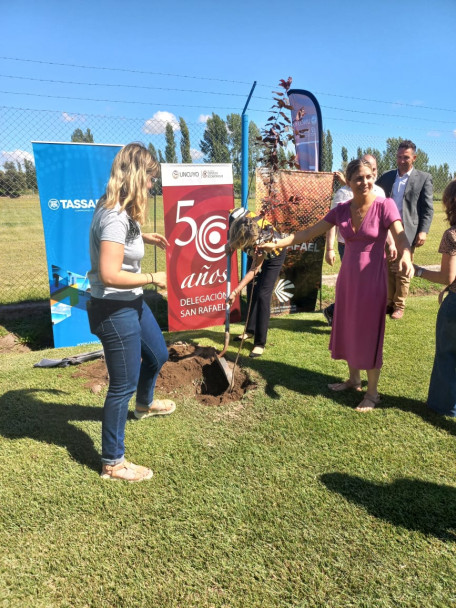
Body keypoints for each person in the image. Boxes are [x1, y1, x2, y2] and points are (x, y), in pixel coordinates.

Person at [259, 158, 413, 411]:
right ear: (348, 183)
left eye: (368, 177)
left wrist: (405, 253)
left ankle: (372, 393)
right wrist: (276, 243)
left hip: (373, 281)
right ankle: (354, 380)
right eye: (358, 179)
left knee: (370, 333)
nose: (365, 182)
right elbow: (307, 233)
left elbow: (399, 234)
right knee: (349, 327)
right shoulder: (341, 209)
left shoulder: (385, 206)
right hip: (348, 280)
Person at [87, 143, 175, 482]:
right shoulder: (113, 217)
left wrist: (145, 238)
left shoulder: (120, 212)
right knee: (121, 384)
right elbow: (110, 274)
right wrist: (154, 277)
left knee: (157, 354)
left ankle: (144, 404)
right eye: (150, 178)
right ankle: (112, 461)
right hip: (114, 307)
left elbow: (121, 244)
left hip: (131, 303)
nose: (152, 185)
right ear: (136, 177)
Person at [323, 156, 386, 326]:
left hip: (374, 248)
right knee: (355, 288)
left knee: (368, 288)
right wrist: (330, 248)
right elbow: (329, 224)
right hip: (348, 247)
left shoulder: (380, 194)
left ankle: (346, 316)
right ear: (350, 179)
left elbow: (388, 223)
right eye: (360, 176)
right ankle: (339, 314)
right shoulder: (342, 194)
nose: (366, 179)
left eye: (371, 172)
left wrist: (393, 245)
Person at [412, 179, 456, 416]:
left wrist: (417, 270)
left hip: (455, 307)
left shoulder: (452, 235)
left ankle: (444, 406)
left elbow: (447, 277)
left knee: (447, 355)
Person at [376, 140, 434, 319]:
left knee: (402, 269)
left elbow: (428, 208)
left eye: (406, 157)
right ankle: (388, 302)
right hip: (386, 231)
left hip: (407, 232)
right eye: (399, 157)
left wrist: (423, 231)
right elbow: (373, 193)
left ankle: (399, 305)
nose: (401, 160)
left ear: (414, 158)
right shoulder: (387, 176)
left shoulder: (423, 178)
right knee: (387, 267)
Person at [225, 207, 287, 358]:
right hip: (254, 248)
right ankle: (249, 330)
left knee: (262, 295)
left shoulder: (261, 240)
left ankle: (260, 343)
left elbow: (254, 269)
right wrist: (230, 243)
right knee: (252, 289)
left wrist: (235, 291)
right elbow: (233, 233)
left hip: (274, 256)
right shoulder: (235, 216)